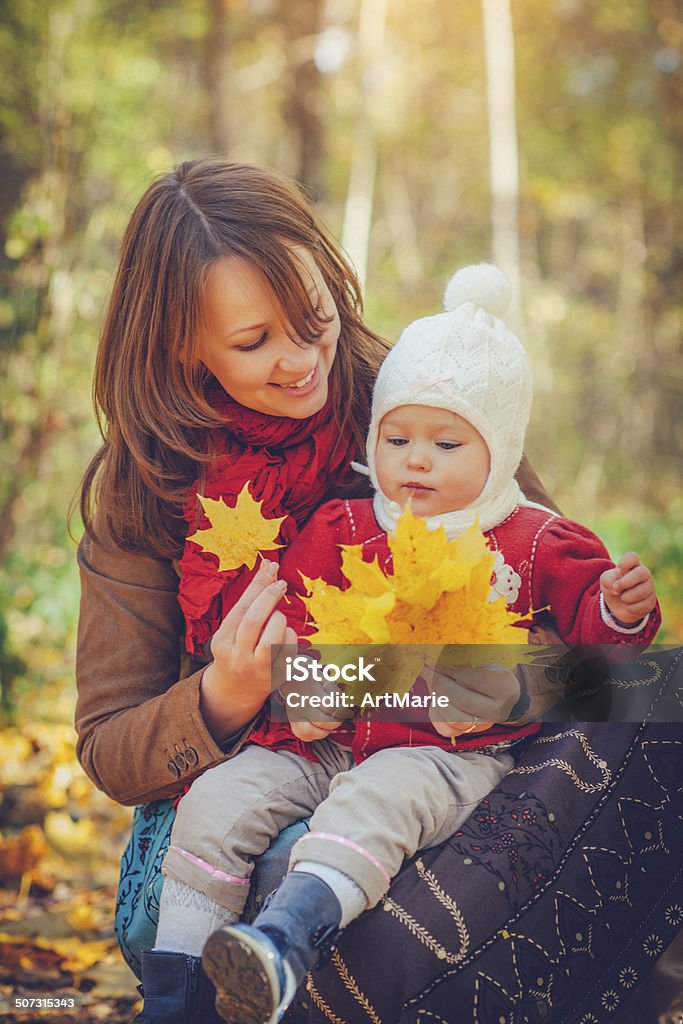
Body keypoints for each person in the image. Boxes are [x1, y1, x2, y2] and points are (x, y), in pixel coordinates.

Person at [75, 162, 557, 1023]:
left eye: (314, 321)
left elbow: (570, 626)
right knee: (277, 864)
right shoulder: (143, 486)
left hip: (438, 766)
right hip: (254, 782)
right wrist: (226, 695)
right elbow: (111, 749)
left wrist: (503, 680)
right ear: (180, 344)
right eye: (255, 342)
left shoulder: (427, 407)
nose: (302, 362)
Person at [150, 264, 660, 1024]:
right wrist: (300, 700)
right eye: (396, 437)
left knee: (376, 802)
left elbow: (593, 638)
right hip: (320, 746)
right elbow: (294, 631)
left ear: (500, 447)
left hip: (444, 756)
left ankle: (285, 945)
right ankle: (175, 994)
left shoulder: (531, 542)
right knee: (220, 799)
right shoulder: (342, 528)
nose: (415, 460)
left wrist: (618, 610)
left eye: (447, 442)